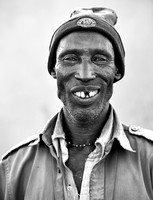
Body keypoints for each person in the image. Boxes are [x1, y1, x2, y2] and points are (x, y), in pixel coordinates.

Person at [0, 7, 153, 200]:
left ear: (117, 71)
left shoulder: (149, 158)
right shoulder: (12, 169)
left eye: (100, 59)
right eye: (70, 58)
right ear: (54, 70)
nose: (85, 74)